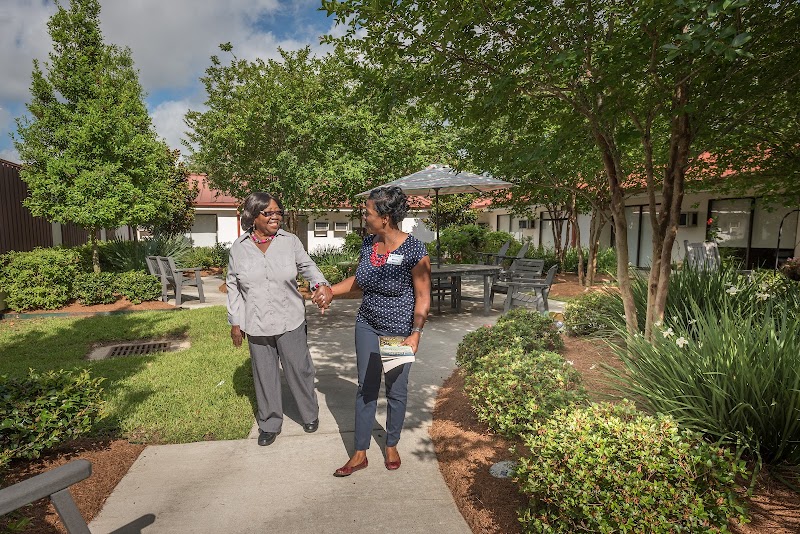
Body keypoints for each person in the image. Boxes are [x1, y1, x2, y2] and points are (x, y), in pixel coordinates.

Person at [316, 186, 431, 476]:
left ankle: (391, 443)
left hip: (399, 329)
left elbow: (423, 296)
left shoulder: (414, 249)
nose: (364, 216)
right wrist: (331, 291)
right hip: (367, 322)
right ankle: (359, 453)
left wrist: (416, 332)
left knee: (396, 389)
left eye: (368, 212)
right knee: (365, 387)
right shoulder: (369, 244)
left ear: (386, 217)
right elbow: (360, 281)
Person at [227, 191, 334, 447]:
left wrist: (321, 285)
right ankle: (269, 423)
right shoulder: (238, 248)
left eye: (278, 212)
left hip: (290, 318)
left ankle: (309, 414)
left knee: (299, 369)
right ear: (253, 216)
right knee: (264, 374)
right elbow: (233, 286)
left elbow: (308, 267)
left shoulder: (289, 241)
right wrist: (235, 322)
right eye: (269, 213)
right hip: (256, 321)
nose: (276, 217)